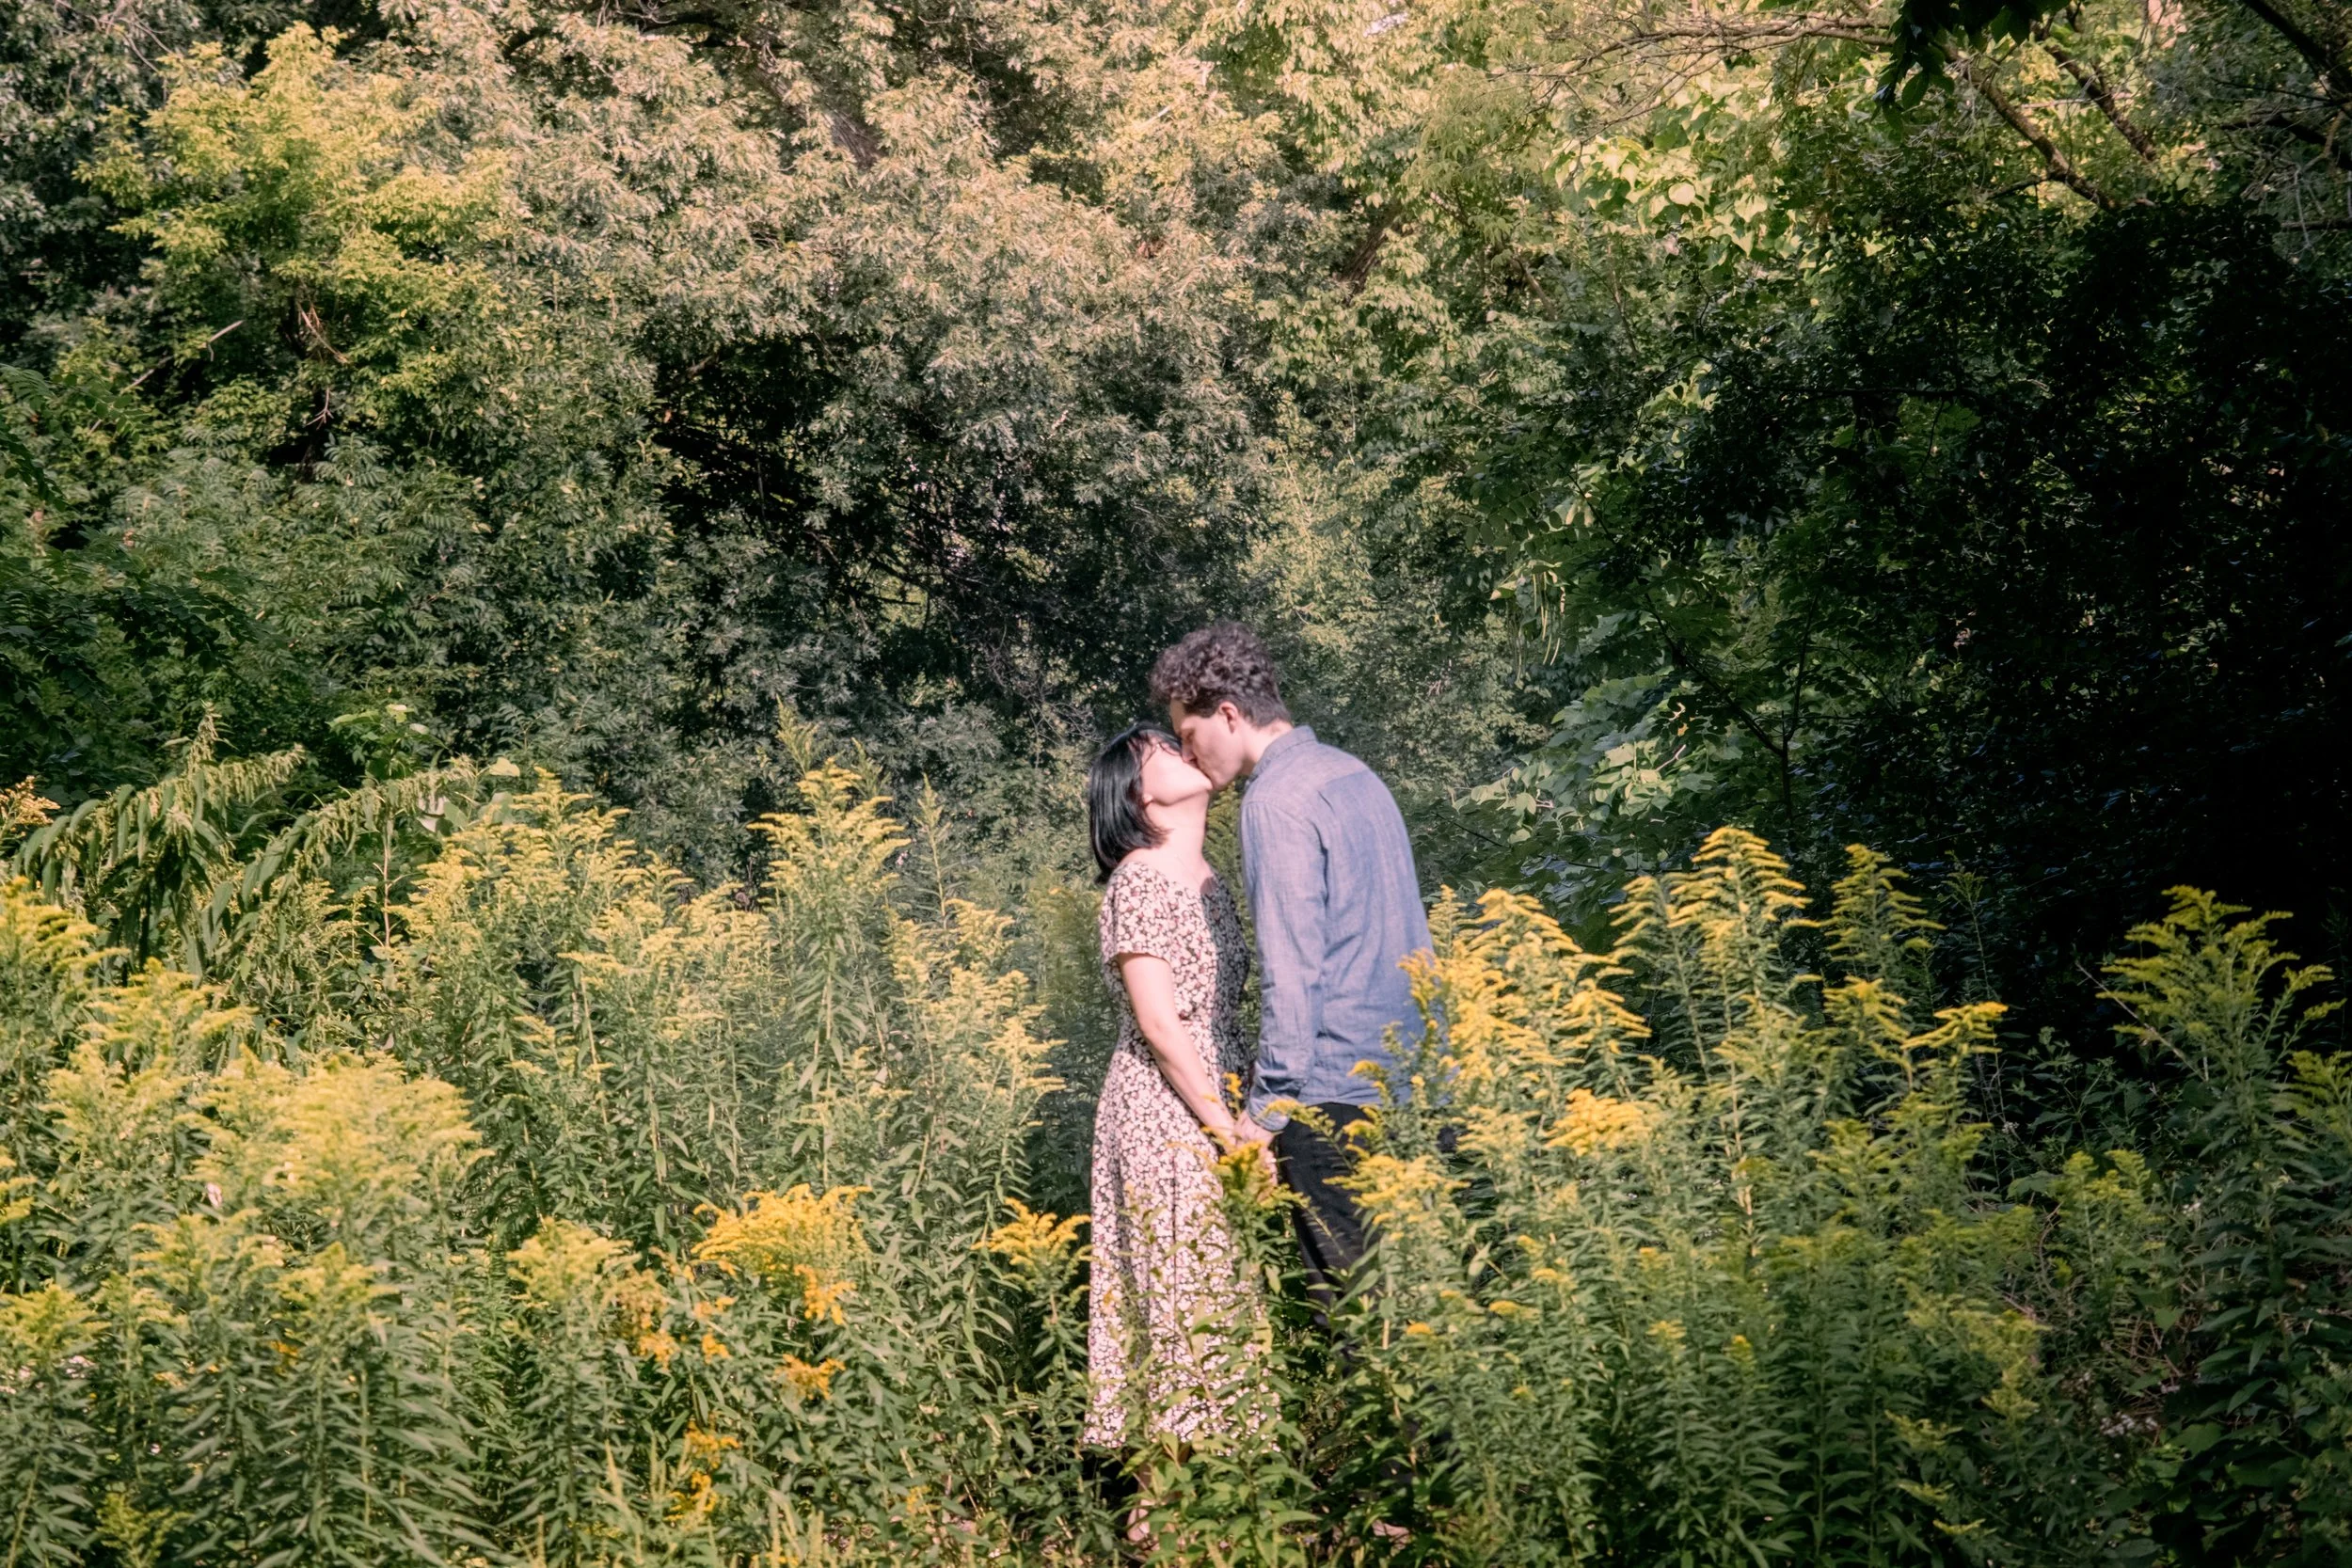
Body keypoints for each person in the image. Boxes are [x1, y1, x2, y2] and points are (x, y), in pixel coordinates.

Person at [1151, 623, 1431, 1319]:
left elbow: (1293, 970)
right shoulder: (1353, 773)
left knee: (1368, 1326)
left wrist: (1265, 1114)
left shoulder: (1274, 802)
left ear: (1229, 715)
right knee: (1434, 1308)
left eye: (1189, 735)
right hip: (1421, 1084)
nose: (1188, 753)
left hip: (1339, 1102)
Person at [1081, 722, 1267, 1461]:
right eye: (1156, 745)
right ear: (1137, 792)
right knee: (1176, 1296)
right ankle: (1160, 1518)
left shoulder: (1210, 878)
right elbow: (1160, 1023)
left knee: (1217, 1292)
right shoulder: (1139, 878)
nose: (1178, 747)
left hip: (1216, 1100)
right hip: (1165, 1110)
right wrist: (1230, 1130)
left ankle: (1206, 1514)